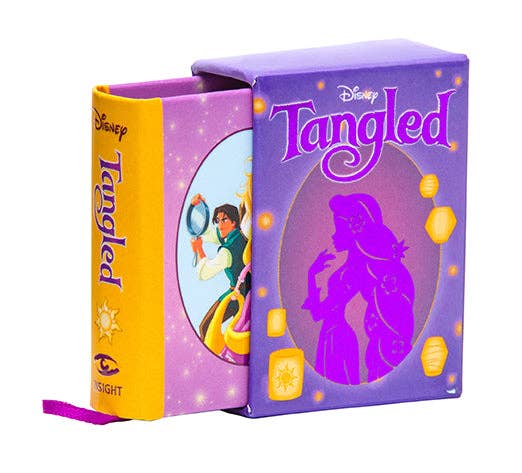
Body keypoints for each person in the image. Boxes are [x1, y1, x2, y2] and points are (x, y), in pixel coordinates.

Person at [190, 194, 248, 340]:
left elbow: (204, 273)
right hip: (241, 293)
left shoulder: (228, 250)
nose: (220, 225)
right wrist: (199, 207)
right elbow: (208, 232)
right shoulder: (237, 234)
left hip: (238, 296)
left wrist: (199, 249)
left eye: (224, 220)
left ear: (234, 222)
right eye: (218, 221)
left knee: (206, 328)